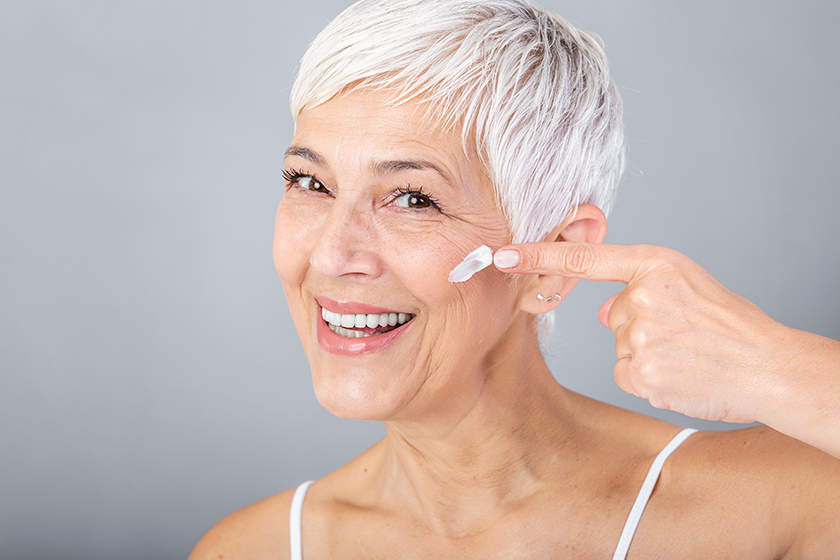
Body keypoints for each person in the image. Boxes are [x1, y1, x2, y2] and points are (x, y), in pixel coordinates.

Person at [190, 0, 840, 557]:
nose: (333, 254)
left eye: (413, 199)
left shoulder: (772, 511)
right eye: (311, 183)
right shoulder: (252, 548)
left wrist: (776, 369)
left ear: (553, 258)